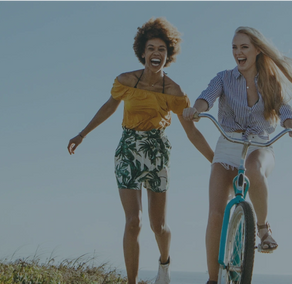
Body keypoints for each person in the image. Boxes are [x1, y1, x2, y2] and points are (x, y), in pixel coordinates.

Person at [67, 17, 214, 284]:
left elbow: (191, 131)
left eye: (161, 49)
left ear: (167, 55)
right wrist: (82, 134)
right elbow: (110, 107)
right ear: (142, 53)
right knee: (133, 220)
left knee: (158, 225)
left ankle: (164, 264)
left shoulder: (174, 91)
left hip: (157, 152)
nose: (156, 53)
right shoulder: (126, 81)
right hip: (128, 150)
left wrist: (215, 161)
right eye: (151, 48)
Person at [183, 26, 292, 284]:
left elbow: (284, 109)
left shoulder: (270, 81)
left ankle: (262, 228)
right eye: (234, 48)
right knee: (215, 214)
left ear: (257, 50)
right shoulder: (224, 78)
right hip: (228, 143)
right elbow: (207, 97)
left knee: (253, 169)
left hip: (260, 145)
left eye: (244, 47)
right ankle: (213, 280)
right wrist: (195, 108)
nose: (238, 53)